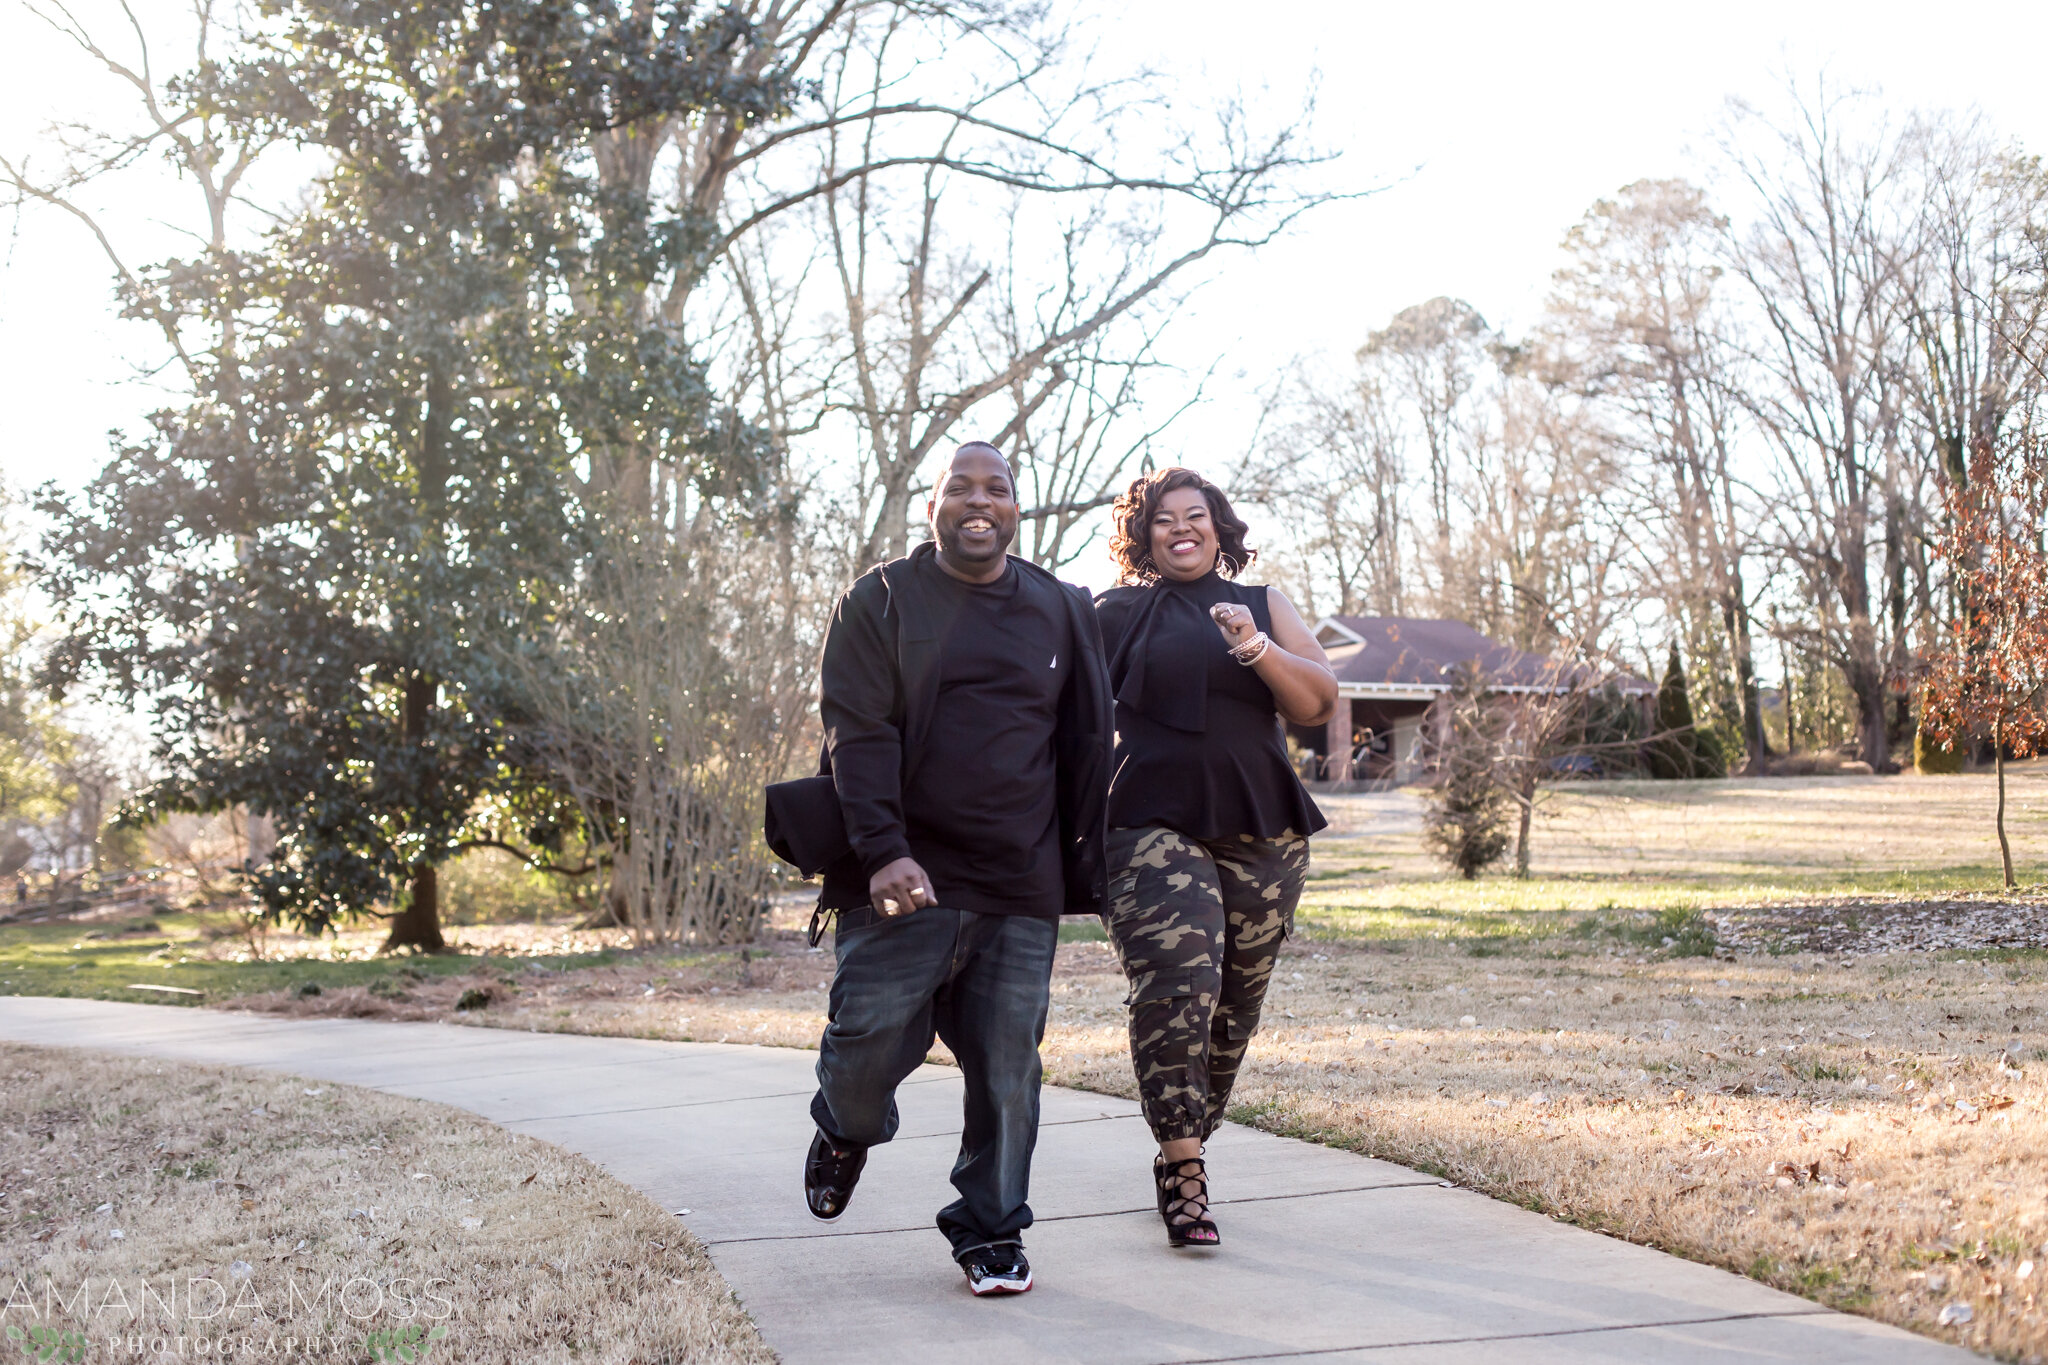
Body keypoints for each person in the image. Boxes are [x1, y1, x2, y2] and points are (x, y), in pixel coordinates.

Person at [803, 441, 1113, 1296]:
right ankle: (845, 1125)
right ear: (934, 504)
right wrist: (883, 850)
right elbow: (856, 734)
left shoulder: (1059, 606)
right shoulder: (883, 599)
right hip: (905, 878)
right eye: (961, 487)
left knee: (1008, 1068)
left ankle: (990, 1229)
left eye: (998, 488)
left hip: (1021, 881)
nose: (981, 502)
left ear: (1017, 506)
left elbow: (1086, 742)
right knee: (864, 1049)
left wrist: (1090, 862)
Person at [1092, 466, 1337, 1248]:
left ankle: (1188, 1136)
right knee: (1179, 982)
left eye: (1195, 515)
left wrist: (1254, 646)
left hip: (1262, 828)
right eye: (1163, 519)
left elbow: (1317, 701)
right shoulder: (1113, 613)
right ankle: (1185, 1168)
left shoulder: (1262, 603)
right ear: (1144, 536)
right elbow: (1060, 714)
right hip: (1148, 826)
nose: (1180, 528)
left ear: (1219, 528)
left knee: (1234, 1009)